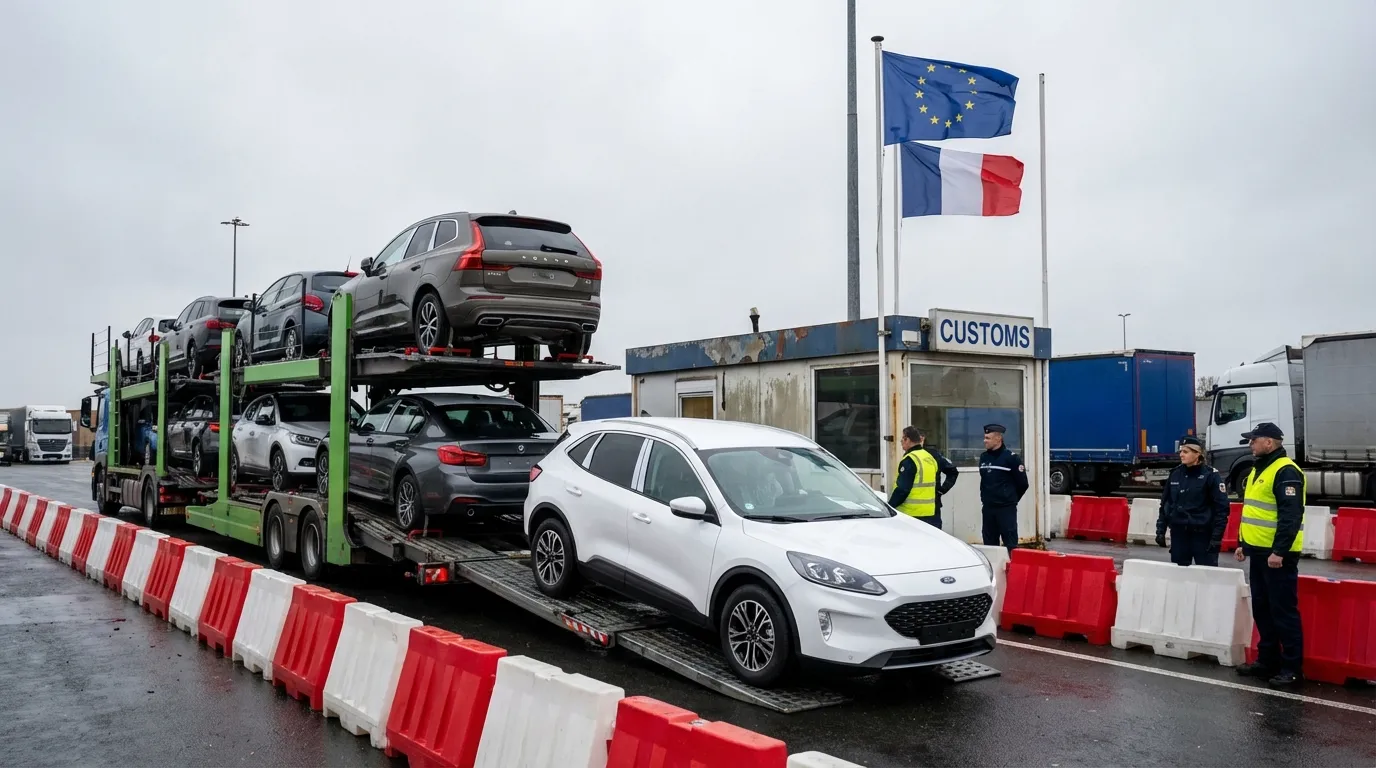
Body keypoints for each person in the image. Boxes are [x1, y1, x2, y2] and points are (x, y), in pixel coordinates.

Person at [1232, 422, 1305, 689]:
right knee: (1263, 609)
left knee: (1283, 611)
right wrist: (1243, 543)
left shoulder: (1285, 471)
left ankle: (1292, 668)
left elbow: (1290, 516)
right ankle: (1267, 661)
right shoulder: (1256, 470)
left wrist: (1279, 551)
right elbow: (1252, 512)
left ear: (1270, 443)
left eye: (1254, 440)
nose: (1250, 444)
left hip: (1278, 557)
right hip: (1259, 553)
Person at [1155, 436, 1230, 566]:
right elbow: (1166, 504)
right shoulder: (1175, 474)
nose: (1181, 455)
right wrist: (1160, 530)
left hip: (1203, 534)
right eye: (1180, 452)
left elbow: (1221, 508)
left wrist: (1216, 538)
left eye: (1185, 451)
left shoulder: (1210, 475)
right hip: (1179, 534)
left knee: (1206, 575)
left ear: (1197, 454)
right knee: (1179, 576)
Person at [888, 426, 958, 528]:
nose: (901, 442)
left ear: (907, 439)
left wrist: (890, 507)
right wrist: (940, 491)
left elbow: (902, 489)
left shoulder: (911, 459)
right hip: (931, 511)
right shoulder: (930, 457)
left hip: (911, 514)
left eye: (902, 439)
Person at [978, 424, 1028, 552]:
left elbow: (1023, 484)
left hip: (1005, 510)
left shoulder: (1011, 458)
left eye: (988, 438)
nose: (985, 441)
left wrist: (1010, 499)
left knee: (1010, 544)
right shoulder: (984, 457)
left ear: (998, 438)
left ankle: (1012, 570)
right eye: (985, 437)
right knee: (989, 546)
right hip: (988, 509)